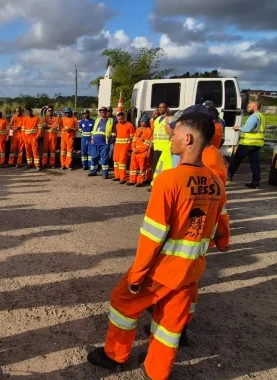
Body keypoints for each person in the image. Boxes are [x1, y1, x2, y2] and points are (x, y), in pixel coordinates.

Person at [86, 112, 230, 380]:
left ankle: (115, 355)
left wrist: (138, 275)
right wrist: (223, 240)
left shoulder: (168, 181)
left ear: (187, 139)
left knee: (122, 303)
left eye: (174, 133)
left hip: (162, 269)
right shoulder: (217, 182)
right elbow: (220, 224)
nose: (170, 137)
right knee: (170, 325)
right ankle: (157, 372)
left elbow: (152, 236)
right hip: (192, 270)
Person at [228, 101, 266, 188]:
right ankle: (255, 182)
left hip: (247, 143)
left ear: (256, 107)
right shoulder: (262, 116)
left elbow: (248, 129)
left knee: (236, 161)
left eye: (249, 107)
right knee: (255, 164)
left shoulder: (254, 117)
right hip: (257, 144)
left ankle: (227, 177)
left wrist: (238, 128)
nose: (247, 108)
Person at [89, 107, 115, 178]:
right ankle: (93, 171)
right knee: (94, 157)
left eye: (103, 111)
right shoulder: (97, 120)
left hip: (104, 143)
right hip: (95, 142)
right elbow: (93, 130)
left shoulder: (111, 120)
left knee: (104, 159)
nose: (102, 113)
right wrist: (92, 138)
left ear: (107, 112)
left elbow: (113, 133)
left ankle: (105, 173)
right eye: (101, 111)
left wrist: (110, 141)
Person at [129, 114, 153, 187]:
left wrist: (139, 150)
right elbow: (134, 140)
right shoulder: (138, 129)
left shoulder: (149, 131)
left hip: (142, 153)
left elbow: (148, 144)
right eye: (141, 121)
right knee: (133, 167)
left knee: (142, 168)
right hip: (135, 152)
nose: (142, 123)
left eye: (144, 122)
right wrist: (133, 149)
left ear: (147, 122)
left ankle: (140, 181)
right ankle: (132, 180)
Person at [112, 112, 136, 184]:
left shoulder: (130, 125)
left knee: (122, 162)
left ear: (124, 118)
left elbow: (133, 138)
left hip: (125, 146)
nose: (120, 121)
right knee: (116, 161)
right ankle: (117, 176)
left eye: (121, 119)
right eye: (118, 119)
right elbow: (115, 136)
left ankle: (123, 178)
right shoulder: (117, 125)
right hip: (117, 146)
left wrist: (131, 148)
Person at [151, 102, 172, 175]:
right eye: (159, 107)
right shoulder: (157, 119)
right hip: (156, 147)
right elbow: (154, 134)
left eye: (161, 107)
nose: (159, 109)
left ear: (167, 108)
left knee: (163, 167)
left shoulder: (169, 119)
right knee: (155, 167)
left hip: (165, 148)